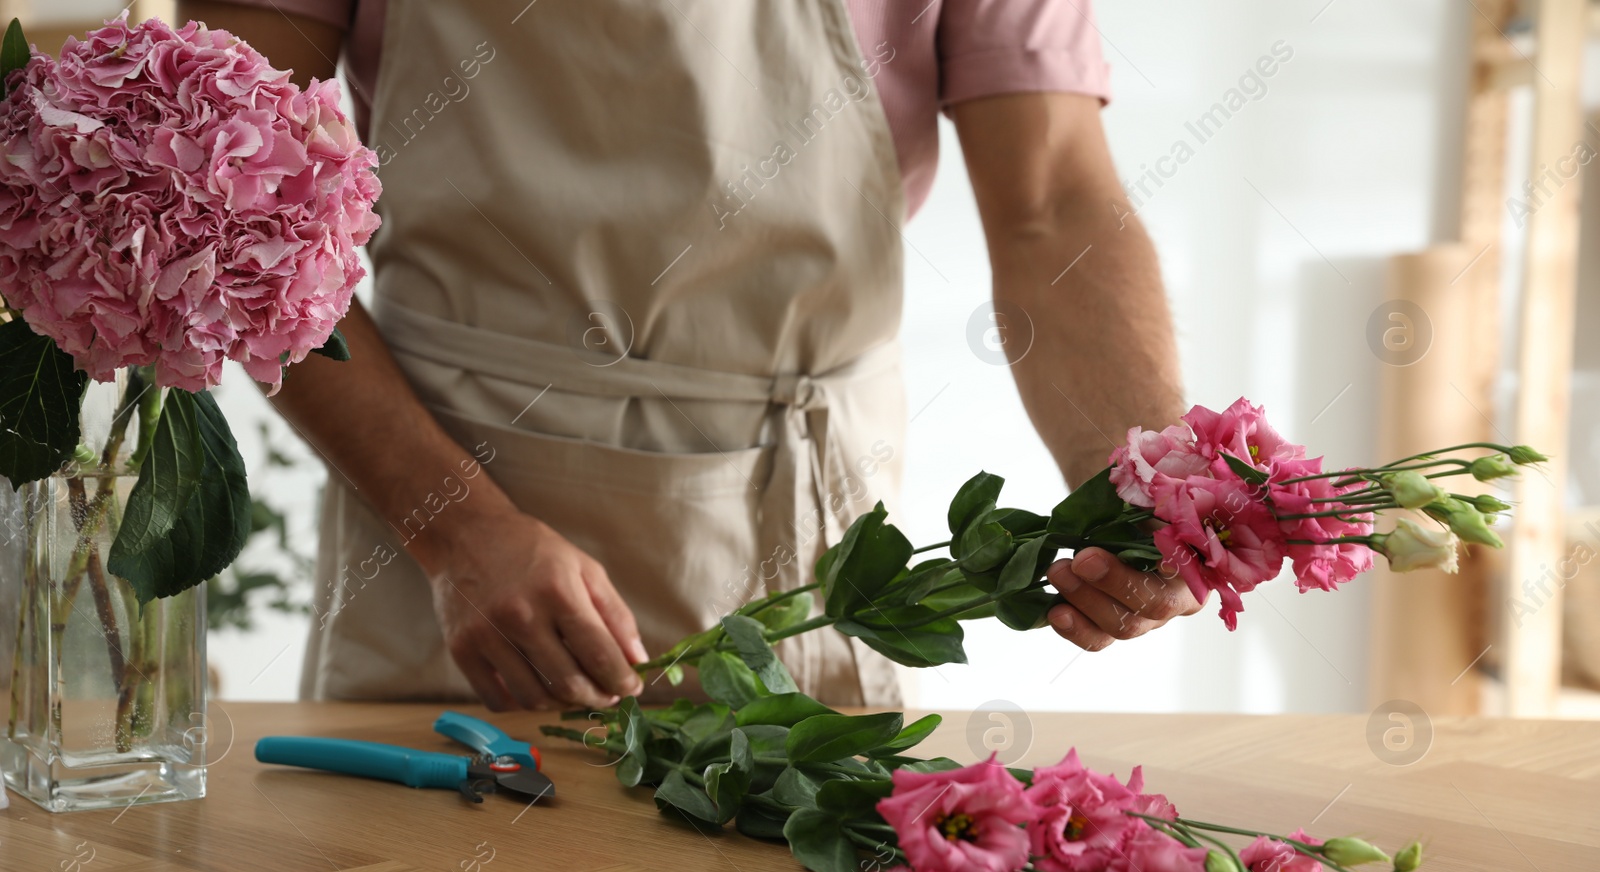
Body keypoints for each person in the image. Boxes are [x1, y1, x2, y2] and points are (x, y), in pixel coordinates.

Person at [181, 0, 1199, 712]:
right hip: (451, 528)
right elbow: (226, 201)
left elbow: (1055, 206)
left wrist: (1148, 493)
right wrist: (455, 529)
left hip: (810, 550)